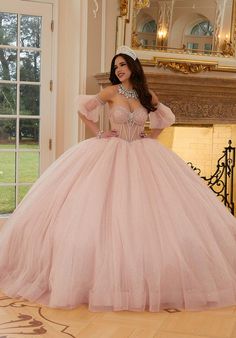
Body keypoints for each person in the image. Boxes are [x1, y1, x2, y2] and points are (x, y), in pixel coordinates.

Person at [0, 45, 236, 313]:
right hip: (111, 152)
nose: (119, 70)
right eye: (116, 67)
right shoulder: (111, 92)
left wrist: (152, 137)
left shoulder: (146, 94)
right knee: (106, 211)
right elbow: (84, 108)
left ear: (133, 67)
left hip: (142, 152)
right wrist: (99, 131)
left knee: (150, 214)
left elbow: (165, 118)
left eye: (122, 65)